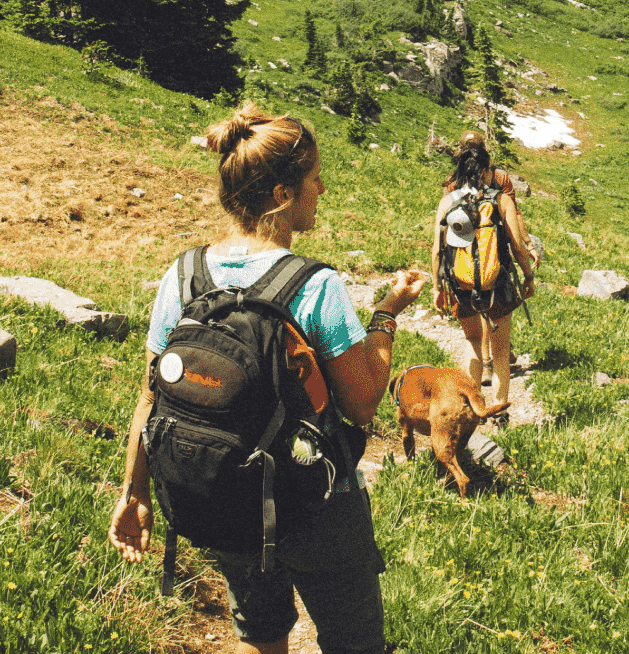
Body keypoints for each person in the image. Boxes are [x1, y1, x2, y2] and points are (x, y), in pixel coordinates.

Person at [109, 104, 426, 654]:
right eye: (313, 178)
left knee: (261, 633)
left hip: (227, 493)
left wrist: (134, 493)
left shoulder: (183, 276)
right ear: (282, 195)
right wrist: (386, 313)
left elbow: (150, 396)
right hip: (318, 500)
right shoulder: (314, 285)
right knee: (355, 641)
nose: (321, 187)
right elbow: (362, 404)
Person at [431, 130, 537, 408]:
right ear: (487, 163)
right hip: (497, 281)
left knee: (472, 342)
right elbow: (516, 245)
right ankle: (500, 410)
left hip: (460, 283)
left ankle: (471, 407)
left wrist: (437, 287)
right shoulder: (501, 198)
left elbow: (437, 250)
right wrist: (528, 276)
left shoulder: (447, 199)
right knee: (502, 352)